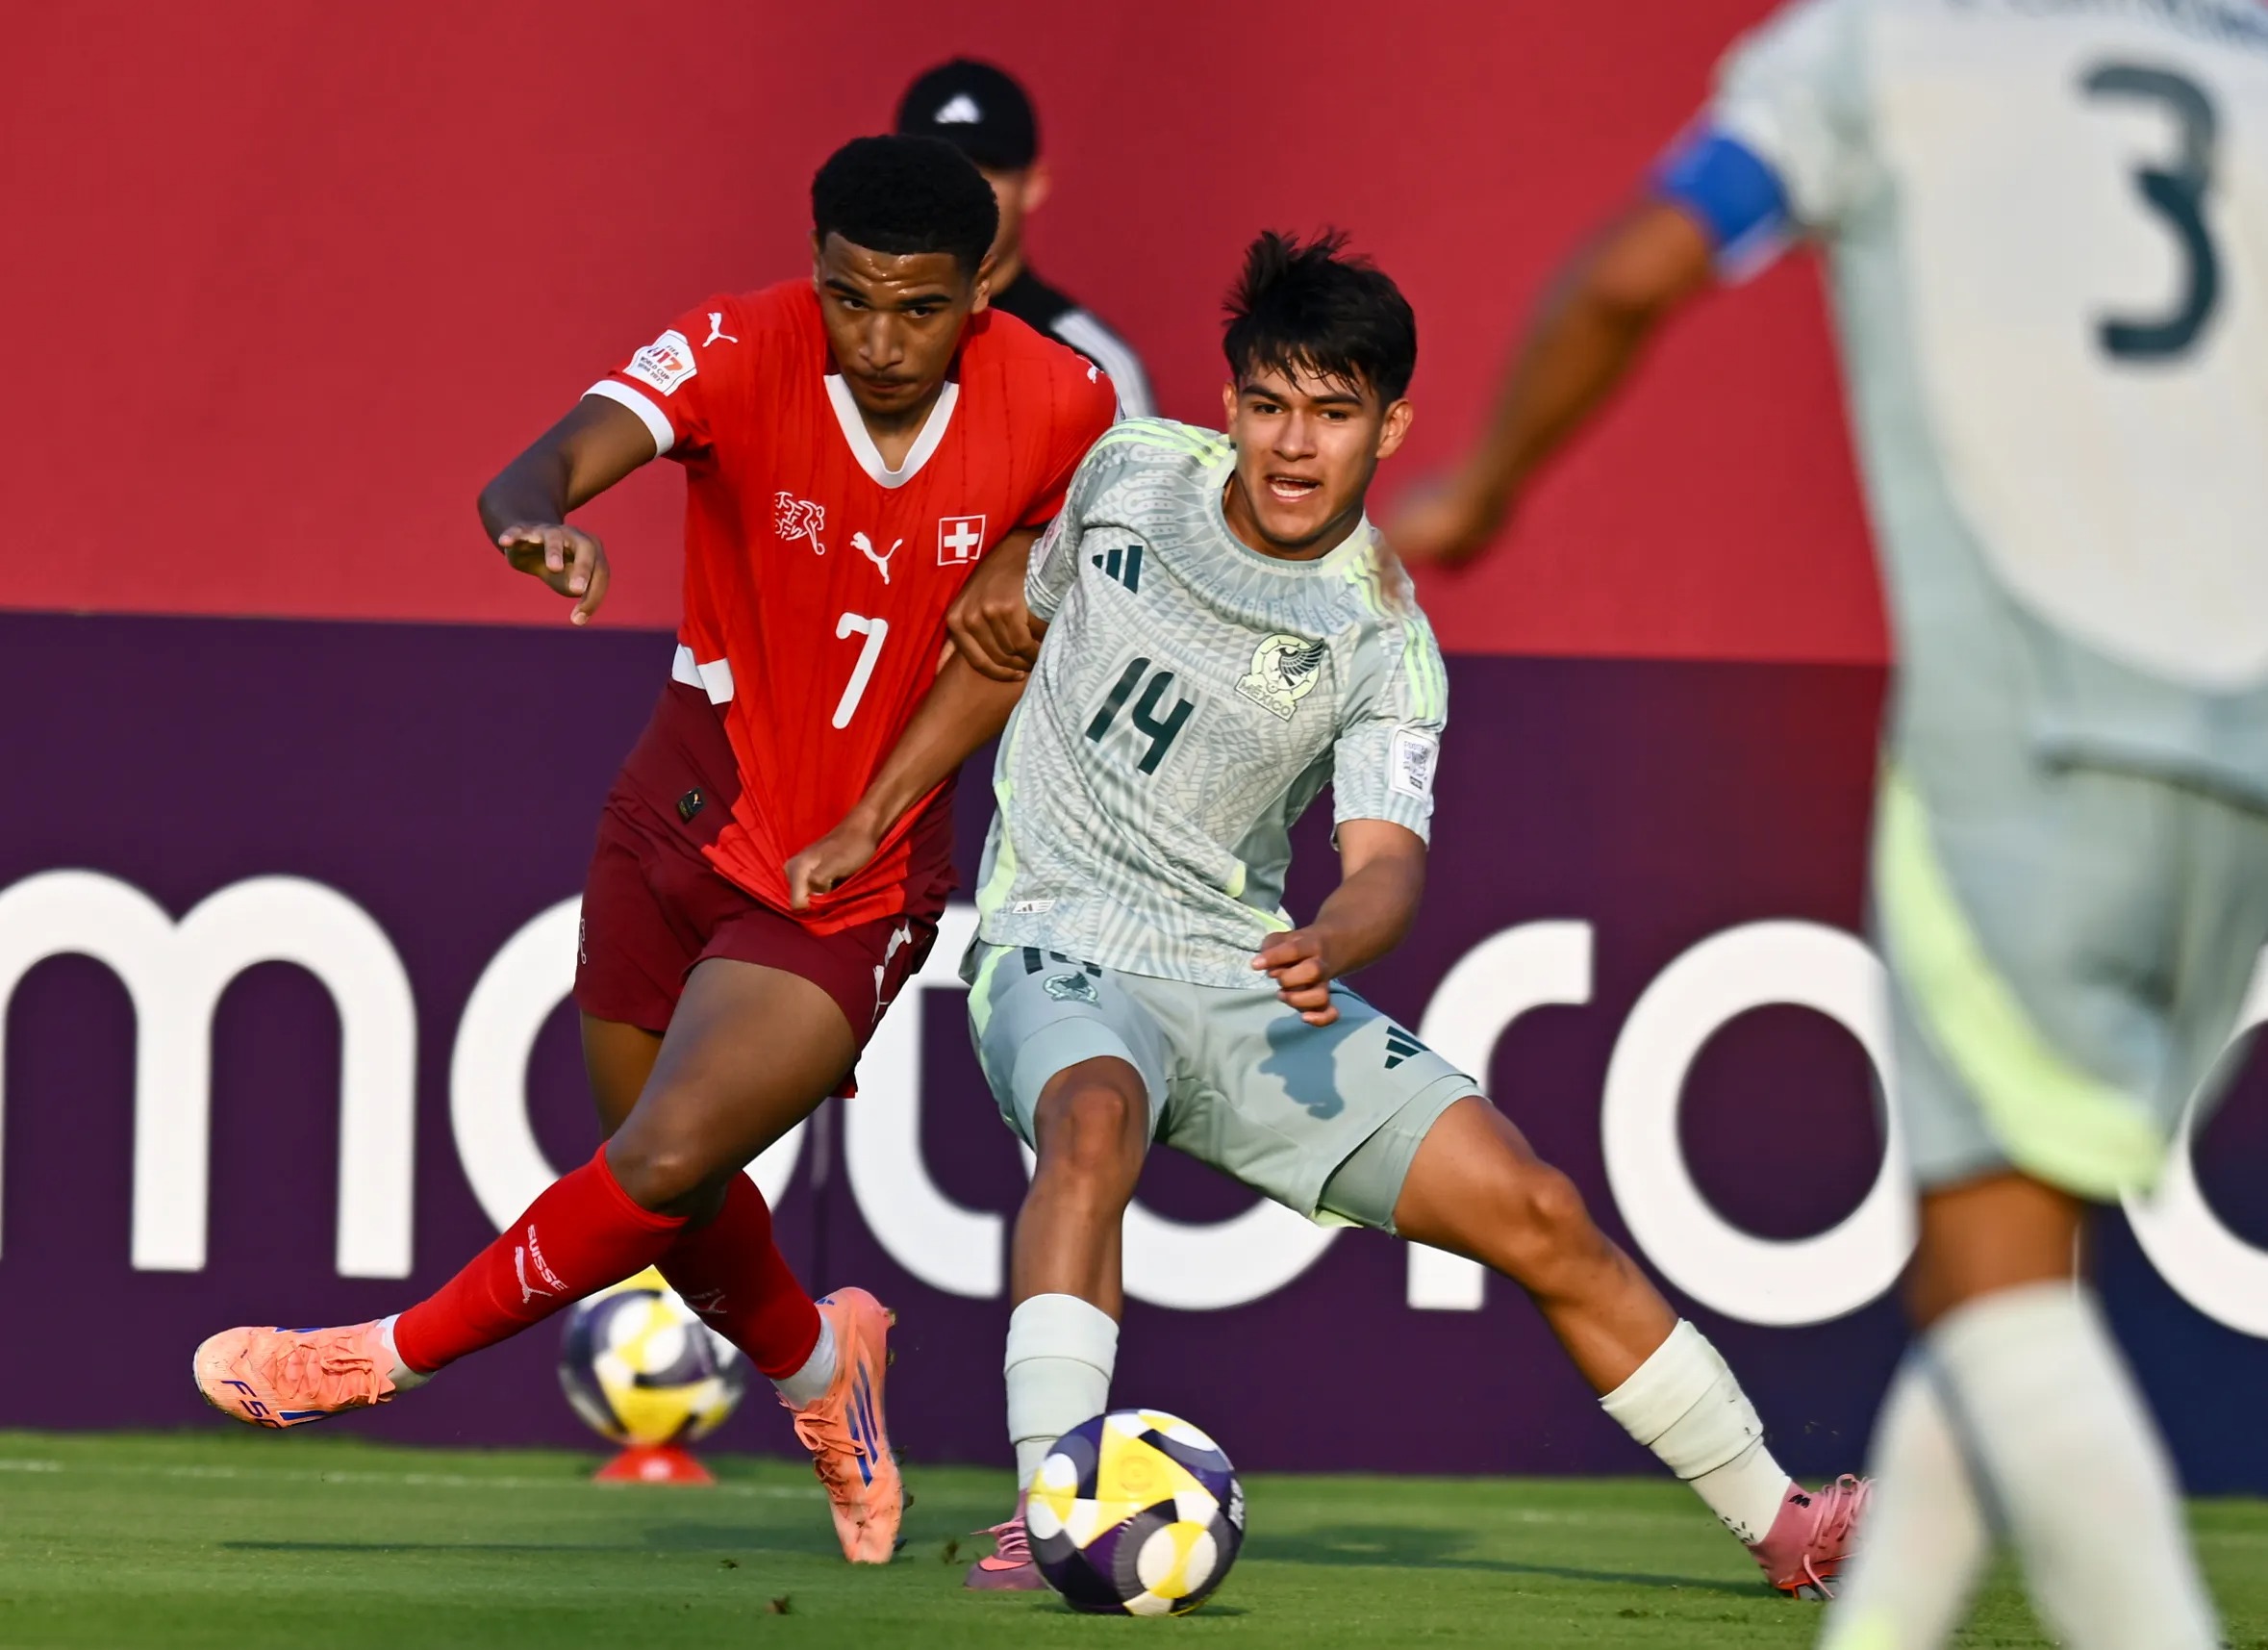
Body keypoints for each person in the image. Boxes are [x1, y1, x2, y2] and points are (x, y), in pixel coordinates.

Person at [788, 229, 1869, 1599]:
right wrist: (874, 808)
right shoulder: (1125, 475)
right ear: (1228, 397)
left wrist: (1335, 938)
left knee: (1535, 1206)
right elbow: (1003, 649)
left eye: (1334, 411)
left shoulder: (1379, 638)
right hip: (1058, 934)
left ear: (1390, 423)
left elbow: (1385, 864)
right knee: (1093, 1122)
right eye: (1268, 403)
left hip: (1247, 970)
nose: (1293, 445)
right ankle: (1054, 1506)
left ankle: (1783, 1524)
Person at [1391, 2, 2268, 1642]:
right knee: (2000, 1266)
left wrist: (1489, 481)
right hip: (2244, 751)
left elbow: (1638, 269)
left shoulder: (1871, 47)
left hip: (2026, 739)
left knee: (2000, 1300)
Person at [191, 134, 1119, 1566]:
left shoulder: (1065, 407)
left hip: (846, 878)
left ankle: (374, 1359)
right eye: (848, 297)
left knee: (666, 1147)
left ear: (984, 284)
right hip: (669, 819)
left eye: (917, 307)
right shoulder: (744, 343)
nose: (876, 339)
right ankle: (826, 1377)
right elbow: (549, 456)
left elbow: (1015, 643)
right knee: (665, 1193)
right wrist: (532, 521)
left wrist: (879, 803)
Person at [897, 57, 1156, 419]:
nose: (957, 191)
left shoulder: (1097, 366)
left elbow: (1141, 476)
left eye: (984, 171)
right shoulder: (842, 345)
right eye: (933, 170)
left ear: (1033, 185)